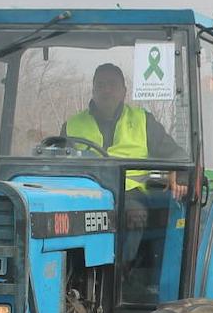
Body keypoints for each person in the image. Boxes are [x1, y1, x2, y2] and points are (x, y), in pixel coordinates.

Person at [64, 64, 187, 300]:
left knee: (133, 213)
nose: (106, 90)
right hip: (84, 194)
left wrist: (179, 174)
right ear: (93, 90)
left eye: (111, 85)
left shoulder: (142, 120)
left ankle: (121, 279)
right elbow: (55, 159)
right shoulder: (73, 125)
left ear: (123, 90)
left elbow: (176, 155)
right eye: (100, 85)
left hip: (129, 192)